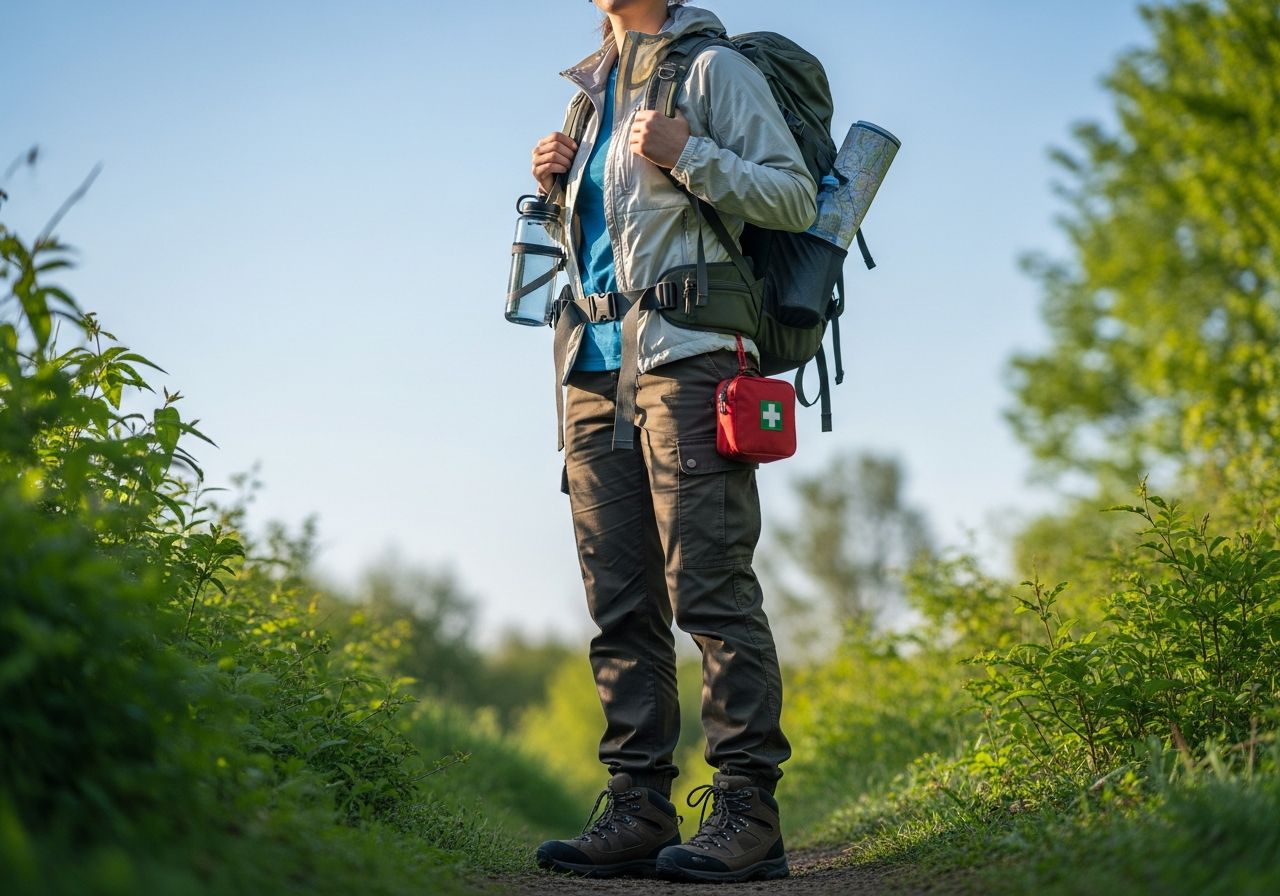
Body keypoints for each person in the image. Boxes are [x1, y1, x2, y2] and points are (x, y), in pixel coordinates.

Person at [528, 0, 816, 883]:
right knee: (618, 597)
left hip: (691, 357)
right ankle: (638, 804)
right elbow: (607, 243)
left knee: (708, 583)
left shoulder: (711, 71)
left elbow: (793, 196)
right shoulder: (587, 95)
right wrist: (554, 191)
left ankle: (747, 810)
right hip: (591, 363)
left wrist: (687, 152)